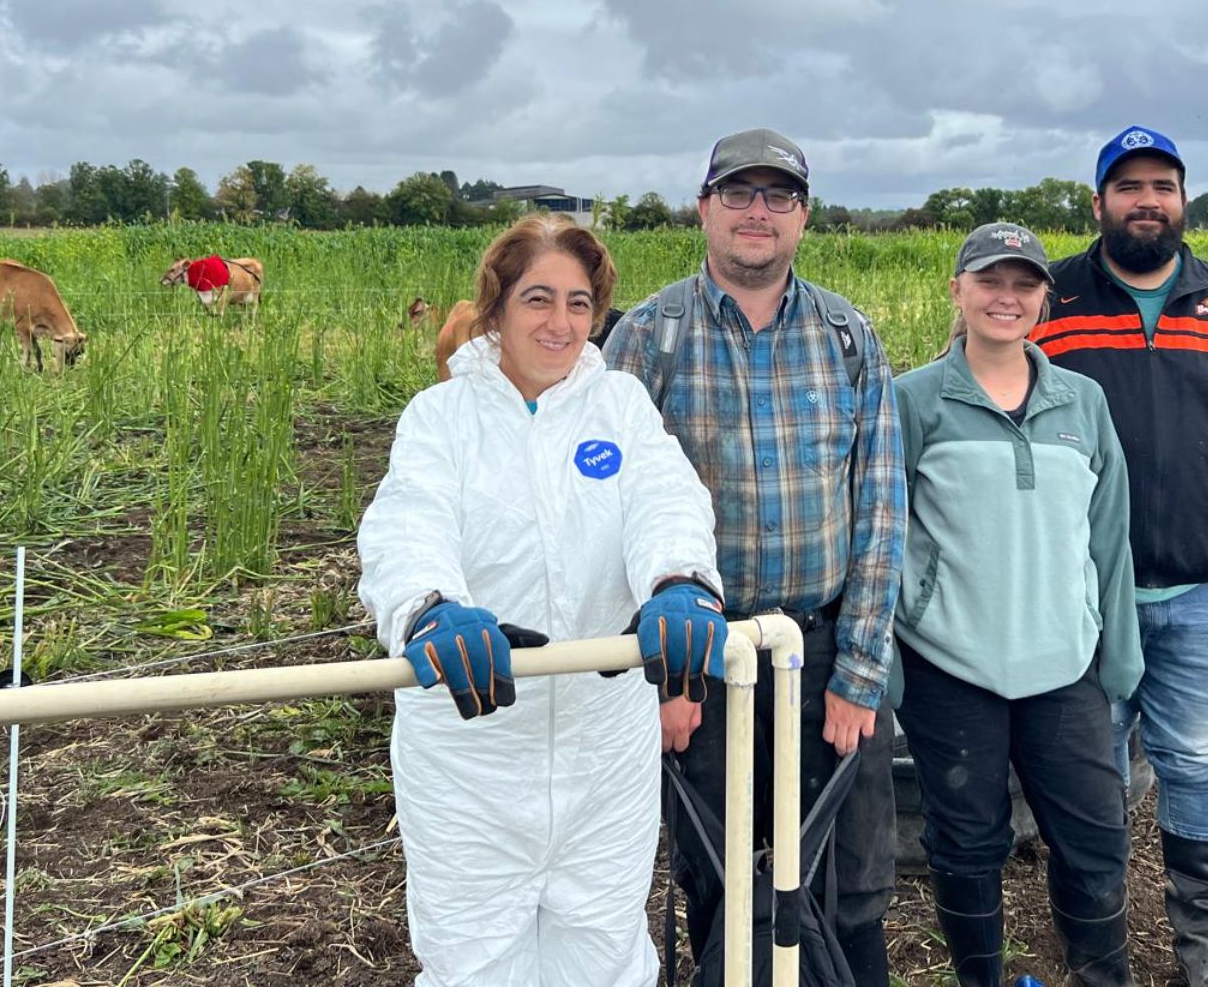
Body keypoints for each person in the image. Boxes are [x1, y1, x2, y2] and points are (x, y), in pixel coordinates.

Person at [358, 215, 727, 987]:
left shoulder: (619, 407)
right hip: (473, 752)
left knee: (606, 952)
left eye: (579, 303)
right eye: (537, 299)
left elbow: (665, 497)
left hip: (605, 749)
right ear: (495, 307)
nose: (560, 323)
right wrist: (429, 607)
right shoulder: (443, 419)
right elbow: (407, 520)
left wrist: (681, 580)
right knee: (473, 963)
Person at [602, 128, 906, 987]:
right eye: (738, 194)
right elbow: (612, 520)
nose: (757, 213)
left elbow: (882, 508)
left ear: (804, 216)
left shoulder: (849, 337)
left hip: (821, 653)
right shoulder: (647, 340)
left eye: (778, 196)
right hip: (706, 657)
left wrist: (860, 674)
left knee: (847, 887)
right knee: (720, 880)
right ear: (703, 208)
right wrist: (667, 678)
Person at [1030, 127, 1208, 987]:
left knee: (1198, 764)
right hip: (1081, 596)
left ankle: (1203, 944)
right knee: (1086, 777)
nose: (1146, 200)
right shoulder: (1052, 303)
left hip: (1207, 591)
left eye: (1163, 185)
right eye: (1128, 186)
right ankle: (1093, 944)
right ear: (1099, 202)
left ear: (1184, 201)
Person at [892, 222, 1142, 987]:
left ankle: (1104, 975)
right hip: (952, 666)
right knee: (967, 841)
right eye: (990, 281)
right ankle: (982, 978)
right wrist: (904, 640)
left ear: (1044, 298)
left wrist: (1118, 655)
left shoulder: (1083, 401)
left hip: (1065, 664)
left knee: (1095, 835)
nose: (1007, 298)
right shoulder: (912, 401)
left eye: (1023, 284)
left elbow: (1109, 534)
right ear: (958, 290)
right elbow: (884, 530)